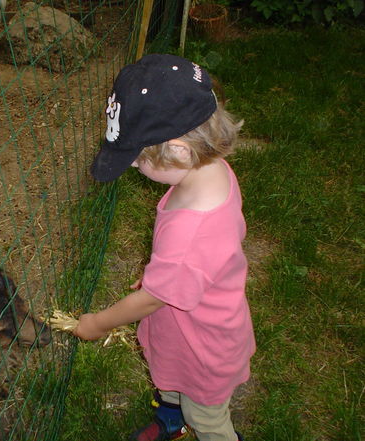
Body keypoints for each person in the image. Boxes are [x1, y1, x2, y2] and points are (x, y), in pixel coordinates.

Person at [73, 54, 255, 441]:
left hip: (201, 348)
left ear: (178, 151)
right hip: (192, 325)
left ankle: (195, 424)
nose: (136, 167)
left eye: (139, 158)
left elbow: (154, 298)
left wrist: (97, 322)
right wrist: (165, 272)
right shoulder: (211, 172)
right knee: (170, 381)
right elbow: (175, 276)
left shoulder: (190, 233)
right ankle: (171, 419)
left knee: (205, 418)